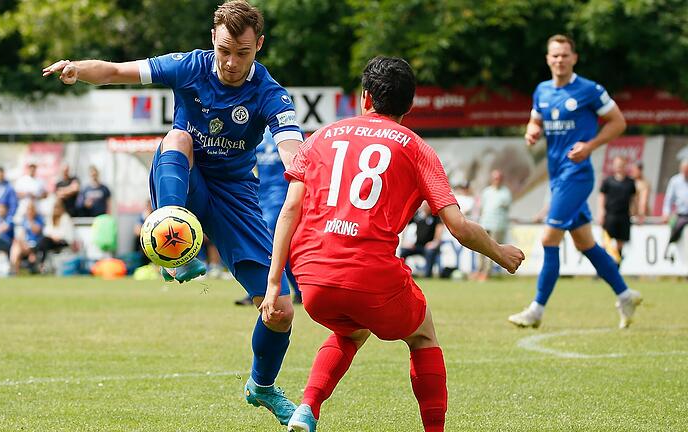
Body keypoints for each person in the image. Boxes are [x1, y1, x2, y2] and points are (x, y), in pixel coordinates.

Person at [42, 0, 304, 424]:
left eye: (243, 52)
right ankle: (172, 241)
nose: (231, 62)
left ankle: (263, 386)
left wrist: (303, 169)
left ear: (259, 45)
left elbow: (293, 150)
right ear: (212, 41)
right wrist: (77, 68)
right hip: (185, 179)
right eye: (223, 50)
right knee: (178, 136)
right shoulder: (188, 67)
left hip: (236, 196)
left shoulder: (271, 94)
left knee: (280, 309)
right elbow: (113, 71)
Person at [261, 56, 525, 432]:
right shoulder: (417, 149)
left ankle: (307, 408)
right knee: (422, 334)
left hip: (312, 278)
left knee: (351, 330)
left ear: (365, 97)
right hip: (369, 276)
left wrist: (274, 284)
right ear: (409, 105)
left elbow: (289, 210)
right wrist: (500, 253)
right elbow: (459, 227)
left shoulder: (320, 137)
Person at [508, 34, 642, 330]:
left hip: (577, 174)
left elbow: (619, 122)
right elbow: (536, 120)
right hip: (557, 177)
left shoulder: (589, 90)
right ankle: (625, 294)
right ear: (548, 59)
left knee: (548, 238)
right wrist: (531, 132)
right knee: (586, 243)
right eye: (554, 55)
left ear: (574, 58)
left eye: (565, 55)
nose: (559, 60)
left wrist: (591, 145)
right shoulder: (542, 90)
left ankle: (536, 310)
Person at [236, 129, 302, 305]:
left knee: (270, 244)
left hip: (280, 197)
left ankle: (263, 290)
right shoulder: (257, 134)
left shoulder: (289, 134)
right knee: (276, 247)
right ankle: (297, 290)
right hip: (261, 197)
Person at [473, 169, 512, 281]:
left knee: (493, 249)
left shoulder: (505, 193)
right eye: (495, 178)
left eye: (498, 178)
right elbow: (482, 207)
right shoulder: (487, 191)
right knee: (480, 247)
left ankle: (487, 272)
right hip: (485, 223)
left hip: (497, 225)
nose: (497, 180)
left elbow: (504, 207)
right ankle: (479, 270)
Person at [597, 156, 637, 264]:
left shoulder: (630, 182)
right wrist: (601, 211)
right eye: (617, 165)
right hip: (610, 215)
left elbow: (633, 199)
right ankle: (602, 267)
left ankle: (617, 266)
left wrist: (635, 212)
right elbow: (601, 196)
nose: (619, 167)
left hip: (624, 216)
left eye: (621, 165)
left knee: (620, 242)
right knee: (606, 242)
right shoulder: (607, 181)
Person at [400, 202, 444, 278]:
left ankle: (427, 275)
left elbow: (439, 228)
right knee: (404, 251)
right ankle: (402, 273)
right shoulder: (418, 215)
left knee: (429, 251)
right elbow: (406, 224)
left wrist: (435, 242)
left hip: (429, 245)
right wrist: (405, 241)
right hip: (417, 245)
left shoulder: (436, 216)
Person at [35, 200, 75, 269]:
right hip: (51, 241)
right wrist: (52, 236)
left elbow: (67, 234)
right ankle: (41, 263)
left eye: (57, 207)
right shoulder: (51, 218)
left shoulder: (65, 218)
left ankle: (40, 263)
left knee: (44, 243)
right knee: (44, 242)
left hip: (63, 241)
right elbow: (46, 231)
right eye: (55, 208)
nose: (56, 210)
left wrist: (57, 237)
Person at [10, 200, 45, 274]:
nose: (29, 212)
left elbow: (37, 231)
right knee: (16, 246)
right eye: (28, 209)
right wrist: (21, 241)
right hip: (26, 245)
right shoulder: (24, 220)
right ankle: (15, 270)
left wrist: (31, 221)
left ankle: (14, 270)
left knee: (17, 247)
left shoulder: (39, 219)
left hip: (35, 244)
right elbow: (22, 234)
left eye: (31, 209)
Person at [662, 158, 688, 244]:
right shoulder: (675, 181)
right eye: (684, 171)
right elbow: (668, 200)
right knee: (676, 229)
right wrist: (666, 213)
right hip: (682, 215)